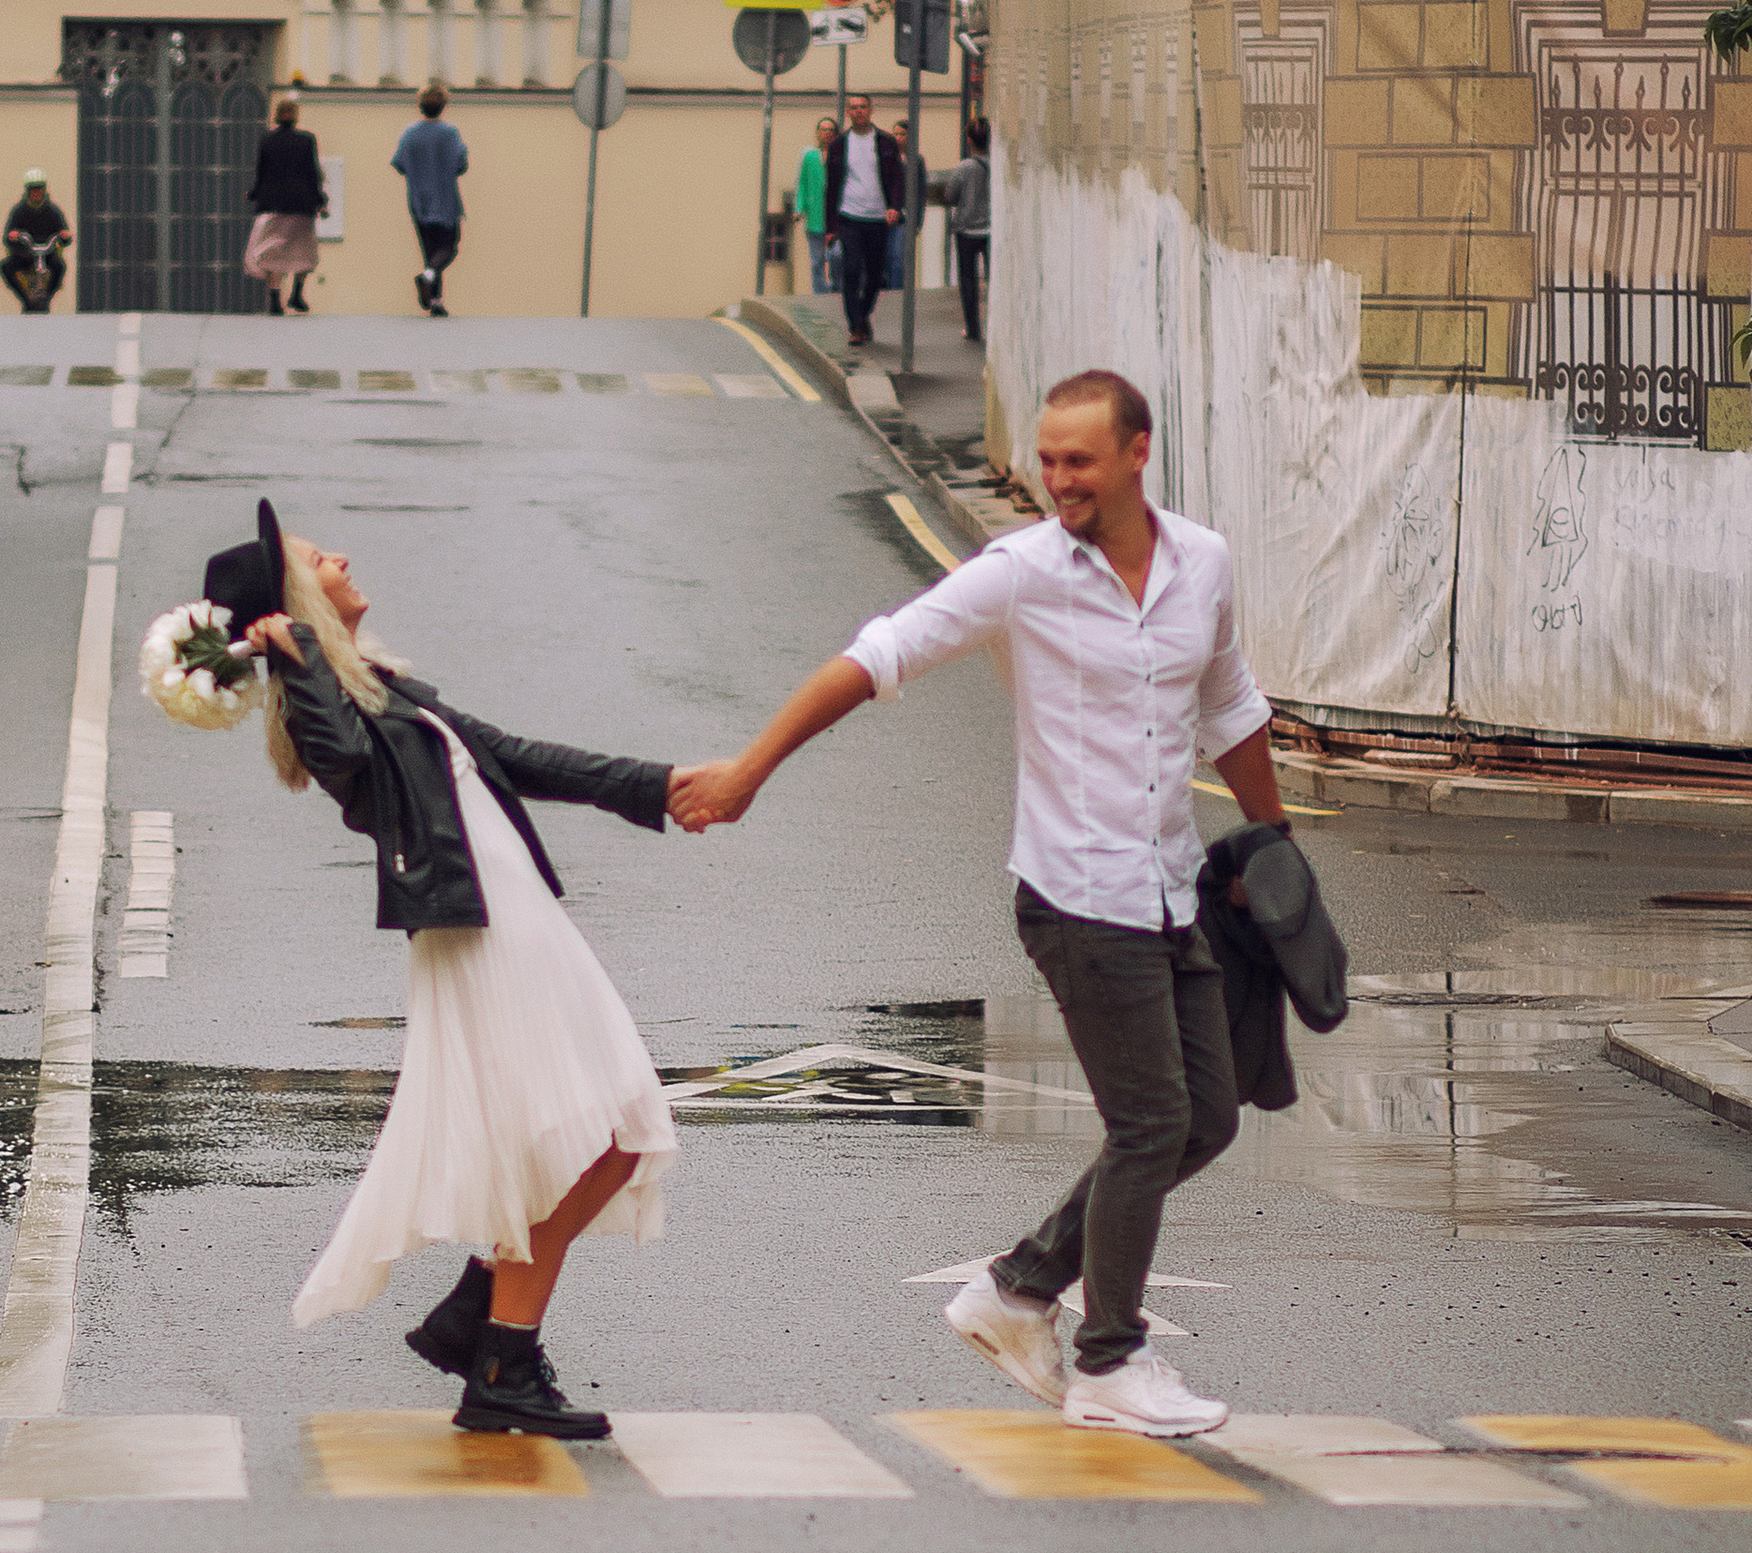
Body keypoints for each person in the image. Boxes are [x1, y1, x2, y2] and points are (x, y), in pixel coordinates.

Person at [671, 366, 1289, 1439]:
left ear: (1137, 454)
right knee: (1149, 1125)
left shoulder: (1203, 565)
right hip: (1075, 899)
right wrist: (747, 771)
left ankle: (1016, 1289)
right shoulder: (1021, 574)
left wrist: (1275, 849)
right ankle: (1108, 1363)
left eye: (1077, 462)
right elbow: (876, 657)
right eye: (1046, 462)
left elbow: (1229, 707)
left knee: (1208, 1117)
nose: (1056, 481)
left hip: (1171, 888)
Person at [202, 500, 690, 1439]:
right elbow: (340, 758)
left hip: (520, 922)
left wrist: (658, 787)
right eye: (317, 557)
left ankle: (490, 1322)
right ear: (299, 598)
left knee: (620, 1130)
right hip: (483, 936)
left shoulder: (386, 689)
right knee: (604, 1129)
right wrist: (296, 658)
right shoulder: (331, 709)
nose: (340, 555)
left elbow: (515, 756)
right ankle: (500, 1351)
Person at [827, 92, 903, 353]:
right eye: (853, 108)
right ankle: (856, 326)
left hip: (878, 217)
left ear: (871, 110)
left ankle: (863, 313)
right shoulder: (839, 145)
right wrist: (830, 227)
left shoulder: (885, 142)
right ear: (848, 112)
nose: (858, 111)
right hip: (849, 215)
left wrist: (894, 207)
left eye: (862, 107)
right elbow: (832, 187)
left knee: (875, 274)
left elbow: (895, 177)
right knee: (850, 270)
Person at [244, 96, 327, 316]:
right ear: (295, 116)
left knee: (274, 252)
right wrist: (321, 201)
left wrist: (253, 195)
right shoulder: (306, 140)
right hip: (301, 205)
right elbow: (312, 173)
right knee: (303, 250)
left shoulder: (267, 141)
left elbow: (261, 172)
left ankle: (274, 298)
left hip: (273, 205)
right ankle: (297, 293)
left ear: (277, 116)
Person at [391, 81, 468, 314]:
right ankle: (429, 284)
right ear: (443, 106)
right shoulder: (450, 134)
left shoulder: (410, 134)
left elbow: (399, 163)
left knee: (430, 251)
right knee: (449, 246)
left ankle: (435, 301)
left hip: (419, 200)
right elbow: (461, 164)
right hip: (445, 200)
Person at [0, 166, 69, 312]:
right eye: (33, 190)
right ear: (28, 191)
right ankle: (26, 299)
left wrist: (64, 236)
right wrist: (14, 237)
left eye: (39, 189)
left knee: (59, 266)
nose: (36, 193)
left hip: (46, 254)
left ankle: (47, 297)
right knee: (5, 267)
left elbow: (64, 235)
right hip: (25, 255)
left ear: (44, 190)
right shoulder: (19, 211)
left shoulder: (52, 211)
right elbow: (7, 237)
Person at [947, 115, 992, 345]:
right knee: (993, 279)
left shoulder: (964, 167)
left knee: (969, 280)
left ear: (968, 140)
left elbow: (950, 196)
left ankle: (973, 328)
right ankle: (995, 324)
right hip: (991, 230)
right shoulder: (997, 165)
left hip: (966, 229)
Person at [793, 114, 840, 297]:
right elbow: (802, 182)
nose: (827, 133)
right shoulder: (809, 154)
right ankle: (820, 293)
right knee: (816, 259)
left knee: (837, 256)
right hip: (815, 215)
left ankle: (837, 288)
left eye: (830, 130)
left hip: (836, 216)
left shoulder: (840, 154)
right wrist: (799, 208)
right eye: (823, 130)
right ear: (818, 133)